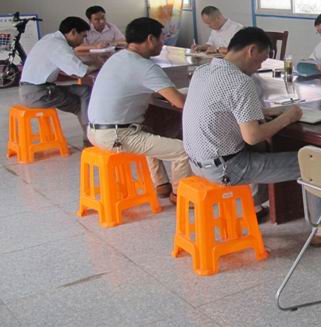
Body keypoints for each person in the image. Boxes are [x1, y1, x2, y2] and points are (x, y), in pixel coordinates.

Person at [182, 27, 303, 223]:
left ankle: (256, 205)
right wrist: (288, 117)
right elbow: (253, 136)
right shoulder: (241, 81)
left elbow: (222, 108)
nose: (258, 67)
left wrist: (264, 112)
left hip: (196, 163)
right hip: (226, 169)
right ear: (251, 50)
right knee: (310, 163)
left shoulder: (202, 71)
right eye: (261, 60)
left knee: (265, 150)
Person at [87, 17, 191, 202]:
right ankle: (179, 195)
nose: (163, 43)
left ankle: (161, 184)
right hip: (117, 136)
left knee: (149, 131)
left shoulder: (117, 58)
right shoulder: (145, 67)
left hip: (95, 132)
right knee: (184, 150)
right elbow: (179, 102)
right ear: (150, 39)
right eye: (162, 38)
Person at [19, 17, 92, 137]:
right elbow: (81, 72)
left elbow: (71, 64)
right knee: (81, 103)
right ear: (73, 32)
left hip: (30, 90)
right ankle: (89, 139)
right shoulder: (59, 46)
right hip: (39, 94)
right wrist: (99, 66)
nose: (83, 41)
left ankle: (89, 136)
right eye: (82, 36)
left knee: (85, 90)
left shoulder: (49, 39)